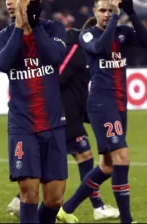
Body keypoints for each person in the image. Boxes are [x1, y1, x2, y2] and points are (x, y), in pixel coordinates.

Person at [7, 17, 120, 221]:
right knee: (84, 154)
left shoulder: (95, 50)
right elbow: (56, 76)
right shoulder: (75, 47)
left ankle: (22, 200)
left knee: (58, 171)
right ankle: (96, 206)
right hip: (62, 114)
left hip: (72, 114)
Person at [57, 0, 147, 223]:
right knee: (122, 158)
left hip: (120, 103)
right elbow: (100, 47)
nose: (107, 14)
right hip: (101, 103)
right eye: (102, 10)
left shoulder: (122, 32)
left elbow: (146, 41)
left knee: (107, 166)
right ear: (94, 11)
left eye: (111, 10)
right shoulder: (87, 34)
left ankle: (66, 209)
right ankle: (127, 220)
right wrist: (115, 20)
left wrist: (131, 13)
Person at [0, 0, 67, 223]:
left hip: (53, 124)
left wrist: (32, 27)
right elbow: (3, 62)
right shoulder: (1, 37)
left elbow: (55, 57)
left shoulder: (53, 28)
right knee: (29, 194)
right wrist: (19, 28)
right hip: (22, 126)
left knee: (55, 199)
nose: (8, 1)